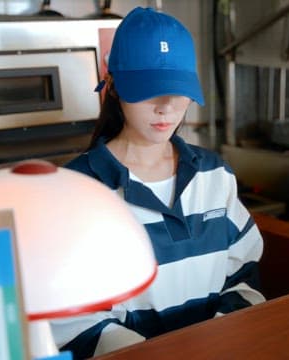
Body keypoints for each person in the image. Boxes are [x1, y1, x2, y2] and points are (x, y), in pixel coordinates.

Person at [51, 7, 265, 359]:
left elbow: (243, 273)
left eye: (177, 90)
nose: (166, 107)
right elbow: (68, 317)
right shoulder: (76, 192)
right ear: (115, 86)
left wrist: (222, 337)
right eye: (148, 90)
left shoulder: (215, 175)